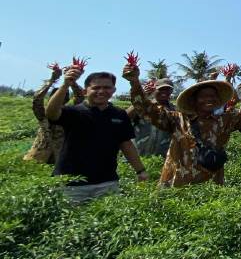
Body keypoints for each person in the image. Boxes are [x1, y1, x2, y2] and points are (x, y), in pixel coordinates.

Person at [124, 62, 241, 188]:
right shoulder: (177, 119)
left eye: (213, 96)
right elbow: (146, 109)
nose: (209, 99)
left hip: (211, 185)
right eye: (204, 96)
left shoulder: (226, 120)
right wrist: (135, 82)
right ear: (194, 100)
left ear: (218, 100)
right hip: (177, 184)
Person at [45, 66, 148, 203]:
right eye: (96, 88)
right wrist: (66, 84)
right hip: (71, 185)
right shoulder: (73, 112)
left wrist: (140, 171)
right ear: (85, 91)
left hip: (107, 182)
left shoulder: (119, 114)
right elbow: (51, 113)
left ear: (114, 90)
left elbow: (126, 144)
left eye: (107, 88)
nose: (101, 91)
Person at [24, 63, 84, 164]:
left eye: (63, 96)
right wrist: (52, 80)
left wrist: (72, 81)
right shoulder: (44, 116)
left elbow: (80, 98)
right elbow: (37, 99)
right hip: (37, 158)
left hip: (60, 161)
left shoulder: (70, 115)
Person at [127, 78, 176, 157]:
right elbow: (125, 117)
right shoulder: (144, 105)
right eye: (161, 89)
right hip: (136, 156)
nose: (164, 92)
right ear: (155, 89)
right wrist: (143, 97)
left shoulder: (174, 110)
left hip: (160, 159)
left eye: (168, 90)